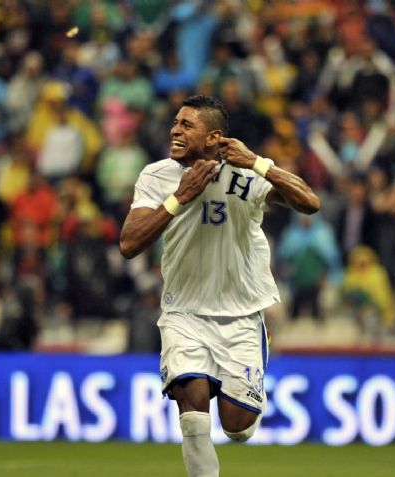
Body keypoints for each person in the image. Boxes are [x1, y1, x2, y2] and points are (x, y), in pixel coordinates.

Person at [119, 95, 319, 477]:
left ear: (213, 137)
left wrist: (260, 163)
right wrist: (180, 198)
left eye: (186, 125)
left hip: (241, 316)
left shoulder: (246, 174)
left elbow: (309, 202)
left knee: (237, 428)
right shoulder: (157, 176)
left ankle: (247, 381)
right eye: (175, 123)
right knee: (192, 414)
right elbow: (129, 244)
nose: (175, 130)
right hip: (184, 312)